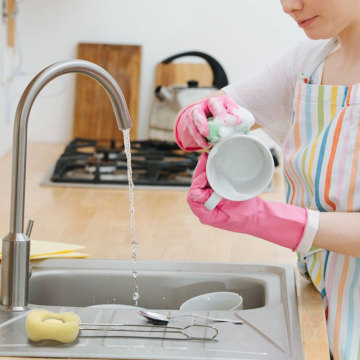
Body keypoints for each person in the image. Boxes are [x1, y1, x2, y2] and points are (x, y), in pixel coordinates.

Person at [174, 1, 360, 359]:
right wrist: (198, 120)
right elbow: (211, 111)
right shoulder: (310, 61)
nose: (290, 6)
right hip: (320, 303)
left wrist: (267, 219)